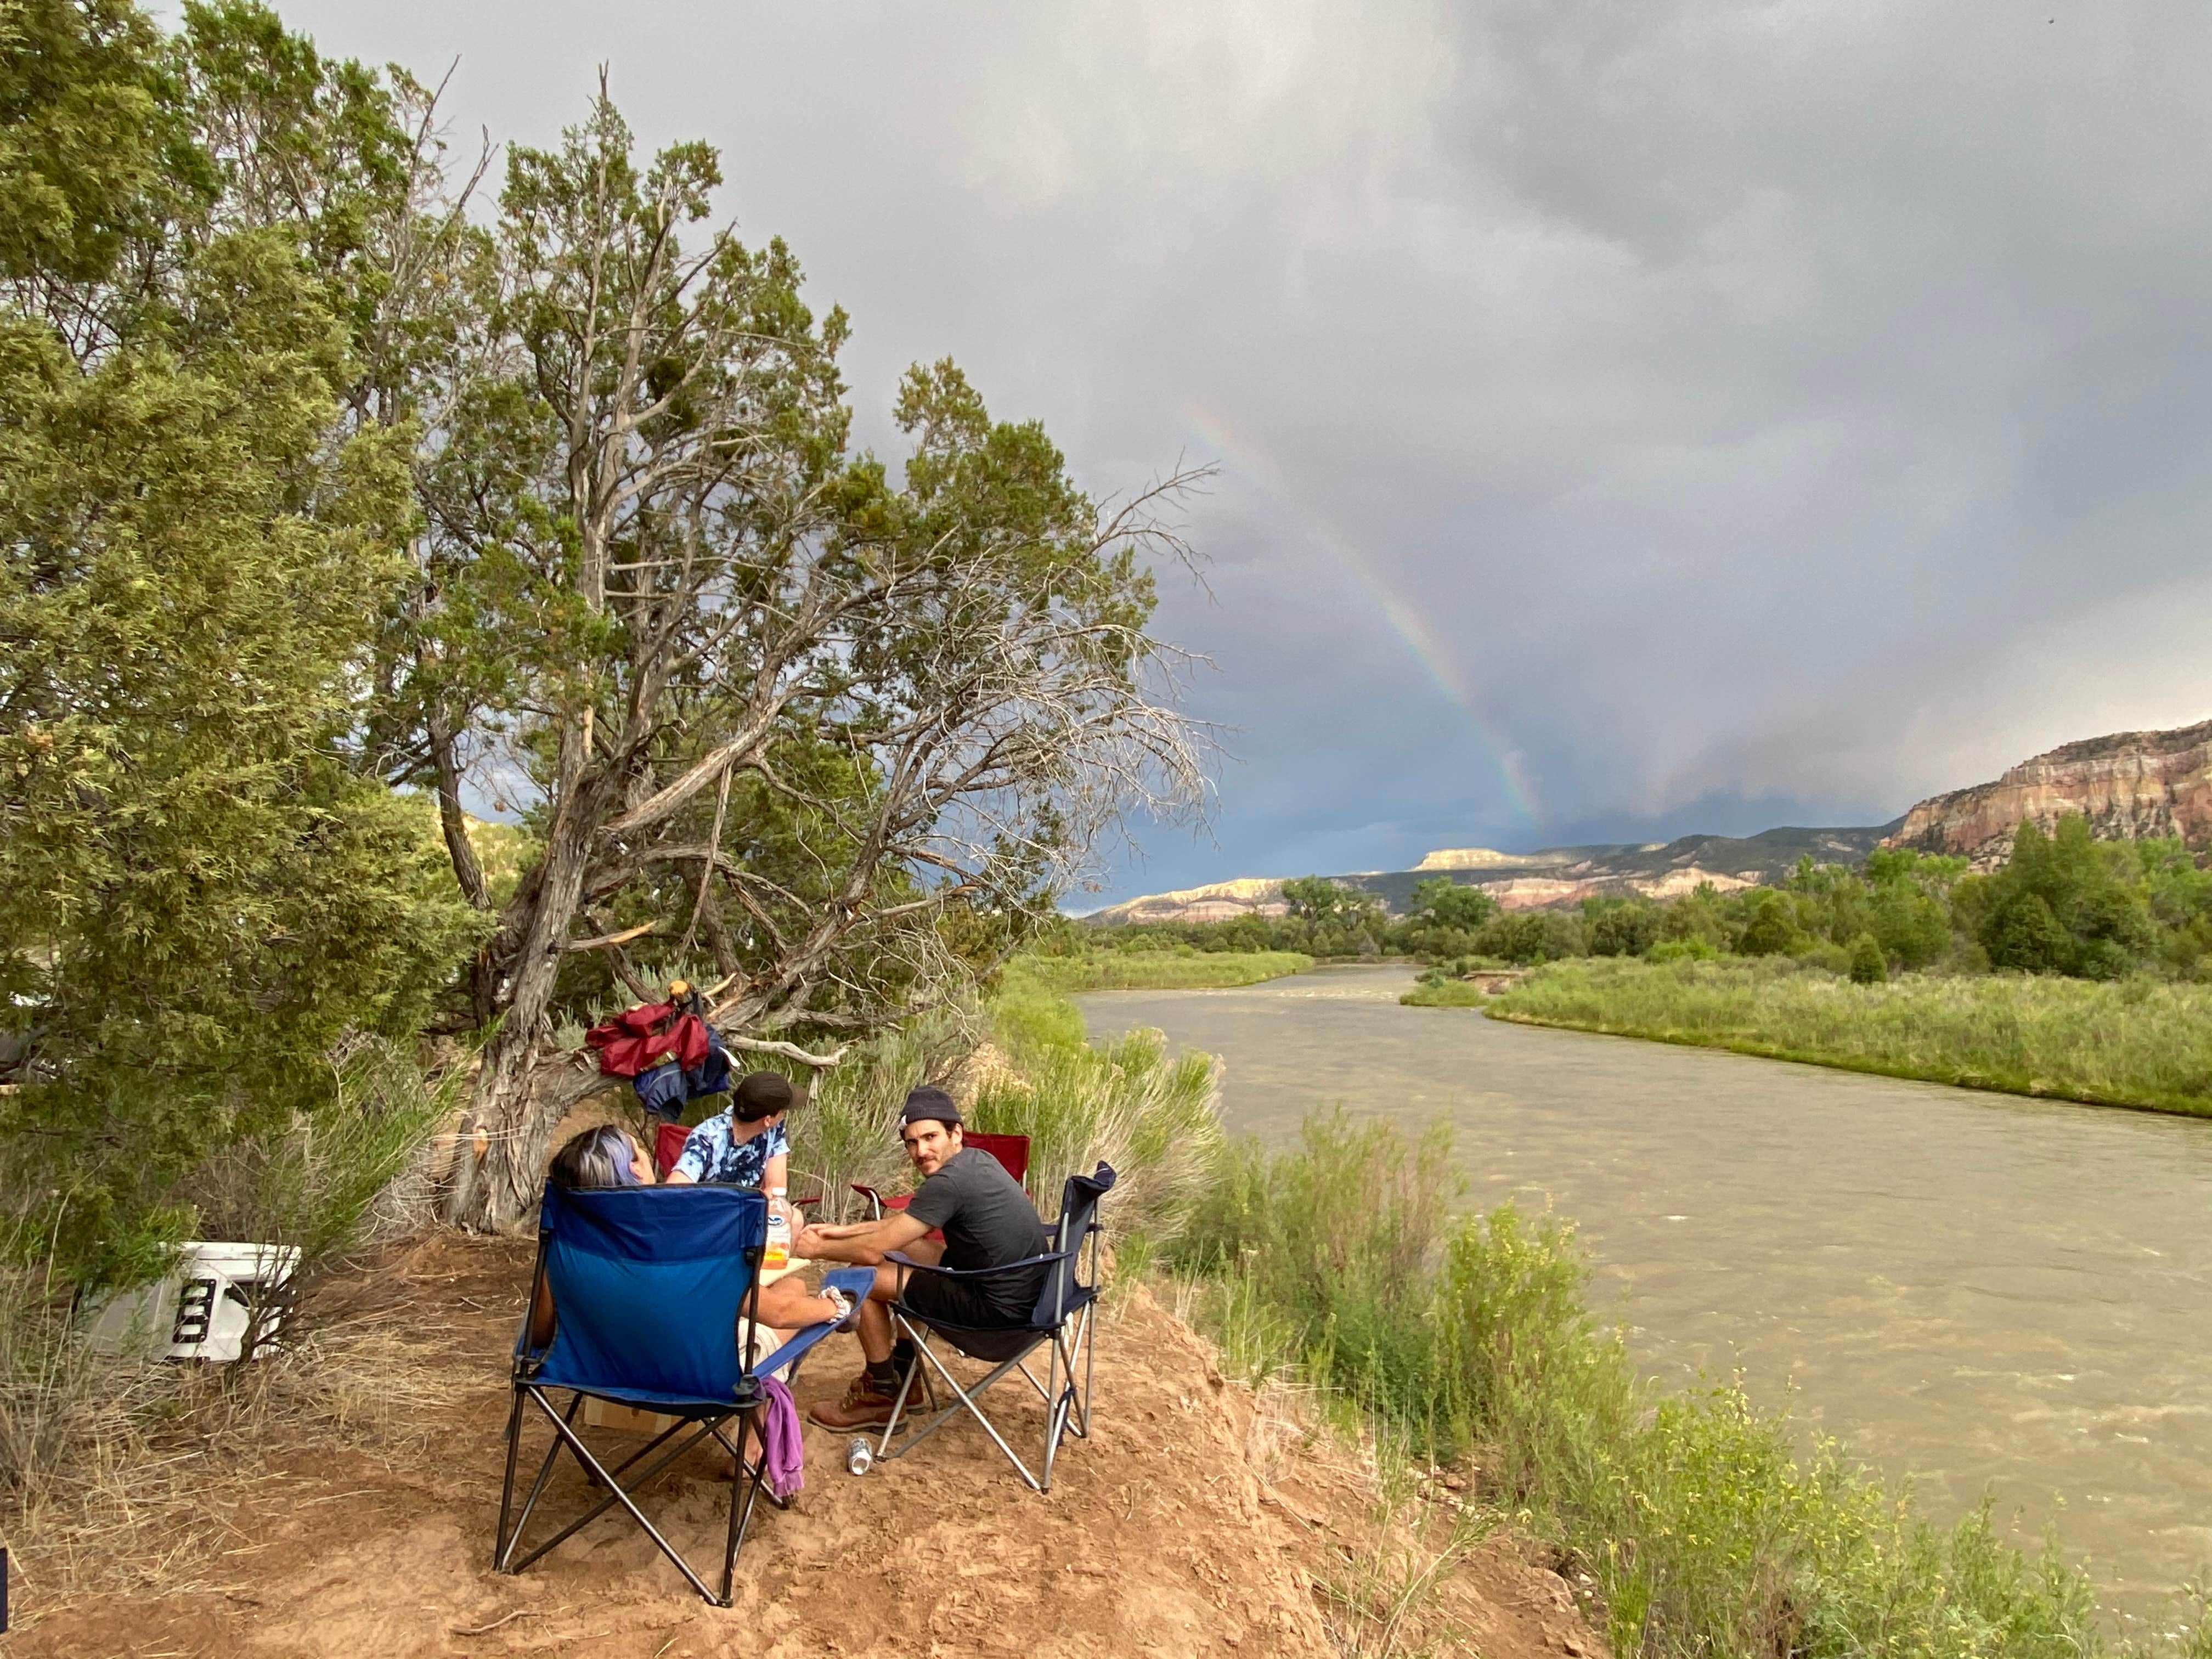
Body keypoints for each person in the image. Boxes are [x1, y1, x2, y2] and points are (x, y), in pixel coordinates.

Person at [798, 1085, 1047, 1430]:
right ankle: (906, 1376)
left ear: (955, 1133)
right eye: (912, 1143)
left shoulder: (950, 1182)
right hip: (1031, 1302)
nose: (922, 1151)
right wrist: (840, 1231)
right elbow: (899, 1228)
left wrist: (815, 1248)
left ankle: (882, 1394)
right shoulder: (978, 1161)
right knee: (906, 1251)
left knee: (857, 1277)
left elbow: (872, 1250)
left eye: (930, 1137)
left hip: (997, 1320)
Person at [528, 1122, 854, 1346]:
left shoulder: (567, 1244)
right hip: (691, 1377)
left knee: (792, 1286)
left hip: (598, 1367)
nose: (645, 1155)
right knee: (786, 1302)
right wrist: (836, 1307)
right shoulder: (685, 1235)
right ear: (635, 1169)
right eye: (639, 1149)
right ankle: (763, 1407)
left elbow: (539, 1335)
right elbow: (778, 1314)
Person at [665, 1069, 793, 1195]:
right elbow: (674, 1190)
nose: (783, 1117)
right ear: (768, 1120)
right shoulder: (708, 1138)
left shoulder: (774, 1130)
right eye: (782, 1112)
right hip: (709, 1205)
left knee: (788, 1209)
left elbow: (776, 1190)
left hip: (750, 1206)